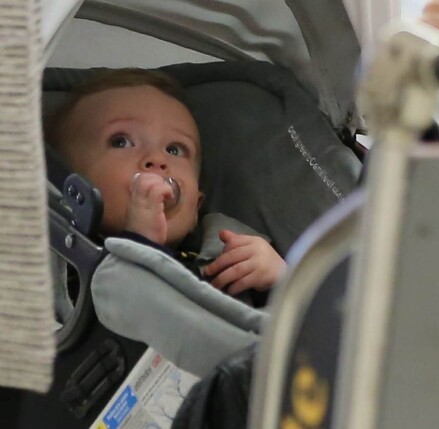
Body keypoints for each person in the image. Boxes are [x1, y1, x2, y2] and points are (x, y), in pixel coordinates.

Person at [45, 68, 286, 297]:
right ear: (67, 189)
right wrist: (141, 248)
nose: (157, 159)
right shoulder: (70, 269)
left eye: (175, 149)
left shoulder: (225, 253)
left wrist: (282, 281)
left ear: (196, 207)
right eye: (121, 142)